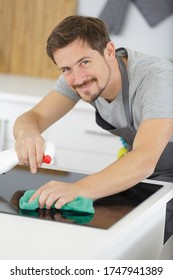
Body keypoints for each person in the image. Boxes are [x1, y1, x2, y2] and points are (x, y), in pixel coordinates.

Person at [13, 15, 173, 242]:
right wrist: (27, 134)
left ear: (109, 51)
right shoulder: (78, 76)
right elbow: (33, 117)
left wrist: (78, 189)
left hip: (150, 167)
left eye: (85, 62)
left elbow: (145, 158)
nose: (78, 78)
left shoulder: (157, 79)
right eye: (66, 69)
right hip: (148, 174)